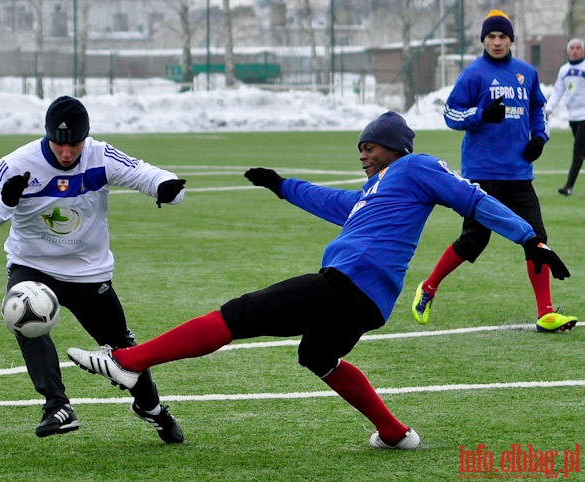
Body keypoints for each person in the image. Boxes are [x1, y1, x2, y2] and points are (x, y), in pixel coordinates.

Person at [67, 111, 571, 449]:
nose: (363, 155)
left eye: (370, 147)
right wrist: (282, 185)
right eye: (360, 148)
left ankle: (128, 363)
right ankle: (395, 434)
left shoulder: (416, 166)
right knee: (317, 356)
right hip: (363, 301)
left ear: (394, 147)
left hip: (347, 286)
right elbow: (333, 202)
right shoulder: (375, 192)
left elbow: (472, 199)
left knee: (240, 313)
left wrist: (529, 237)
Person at [0, 95, 187, 442]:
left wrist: (166, 188)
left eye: (75, 144)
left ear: (87, 137)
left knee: (123, 349)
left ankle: (151, 408)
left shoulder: (100, 155)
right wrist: (5, 202)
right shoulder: (15, 163)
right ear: (46, 135)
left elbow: (145, 173)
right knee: (22, 312)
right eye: (58, 144)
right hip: (32, 265)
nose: (67, 153)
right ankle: (57, 406)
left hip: (88, 273)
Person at [414, 10, 577, 333]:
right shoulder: (474, 74)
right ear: (483, 41)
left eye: (503, 36)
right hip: (482, 174)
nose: (497, 42)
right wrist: (480, 114)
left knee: (536, 238)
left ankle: (545, 312)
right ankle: (428, 287)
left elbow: (536, 109)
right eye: (491, 37)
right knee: (473, 241)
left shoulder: (526, 72)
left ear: (511, 40)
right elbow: (451, 114)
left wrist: (540, 139)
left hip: (518, 174)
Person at [545, 38, 585, 196]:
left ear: (582, 50)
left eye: (578, 48)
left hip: (584, 116)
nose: (575, 50)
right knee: (583, 151)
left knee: (578, 150)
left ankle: (568, 186)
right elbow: (558, 91)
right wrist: (548, 109)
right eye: (572, 48)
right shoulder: (564, 70)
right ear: (568, 51)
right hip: (573, 117)